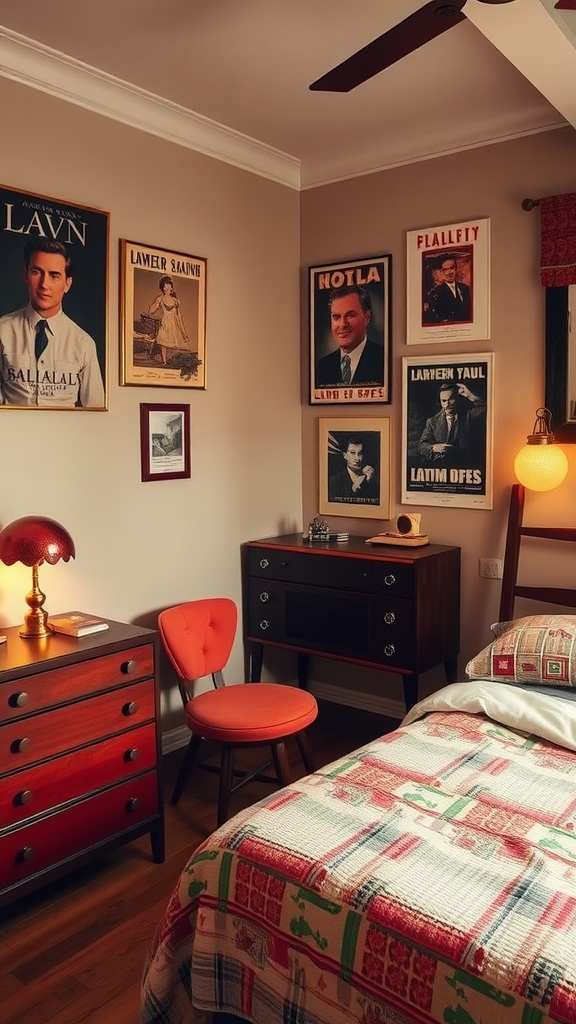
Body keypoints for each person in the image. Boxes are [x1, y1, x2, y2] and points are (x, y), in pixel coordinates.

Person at [0, 238, 105, 408]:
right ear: (25, 274)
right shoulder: (3, 331)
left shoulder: (83, 343)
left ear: (67, 284)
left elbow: (95, 413)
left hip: (66, 434)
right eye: (36, 272)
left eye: (54, 275)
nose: (44, 284)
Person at [315, 285, 383, 387]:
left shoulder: (383, 358)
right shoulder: (323, 366)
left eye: (350, 315)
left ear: (367, 317)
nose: (342, 324)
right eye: (336, 317)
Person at [418, 382, 486, 466]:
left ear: (457, 399)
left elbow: (484, 408)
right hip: (441, 469)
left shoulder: (469, 416)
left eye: (451, 399)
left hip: (466, 467)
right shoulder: (432, 422)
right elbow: (421, 446)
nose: (447, 404)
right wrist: (433, 448)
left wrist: (470, 396)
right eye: (443, 401)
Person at [147, 276, 190, 365]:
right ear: (162, 288)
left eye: (168, 285)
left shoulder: (176, 301)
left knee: (174, 346)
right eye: (164, 286)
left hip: (173, 326)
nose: (166, 288)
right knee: (163, 344)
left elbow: (178, 318)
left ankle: (168, 361)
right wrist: (156, 302)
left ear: (171, 286)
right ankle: (164, 362)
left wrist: (184, 334)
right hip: (164, 324)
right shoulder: (160, 298)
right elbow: (151, 310)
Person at [424, 255, 472, 324]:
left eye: (451, 268)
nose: (449, 272)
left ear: (456, 269)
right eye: (445, 269)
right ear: (441, 272)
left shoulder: (465, 288)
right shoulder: (436, 292)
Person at [329, 436, 379, 502]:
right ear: (345, 455)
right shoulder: (335, 481)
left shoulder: (371, 483)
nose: (357, 458)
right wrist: (353, 490)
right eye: (352, 453)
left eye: (360, 454)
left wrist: (367, 484)